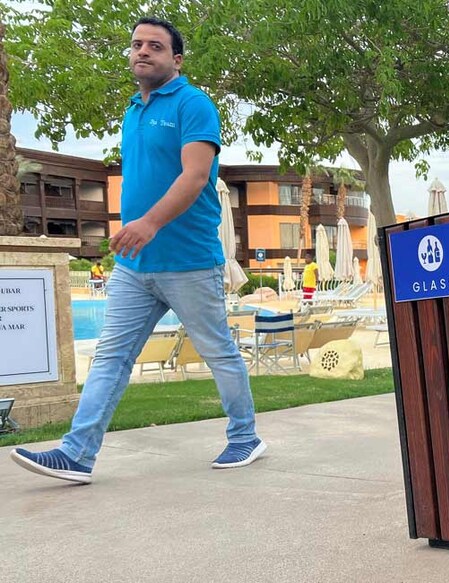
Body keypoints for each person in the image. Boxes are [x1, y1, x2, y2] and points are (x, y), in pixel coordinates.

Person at [10, 17, 265, 485]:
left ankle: (245, 436)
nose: (142, 51)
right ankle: (76, 453)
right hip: (134, 266)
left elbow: (195, 176)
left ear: (177, 59)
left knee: (218, 352)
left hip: (189, 261)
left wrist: (148, 223)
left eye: (155, 46)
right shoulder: (133, 110)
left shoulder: (193, 104)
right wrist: (134, 231)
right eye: (136, 45)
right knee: (111, 356)